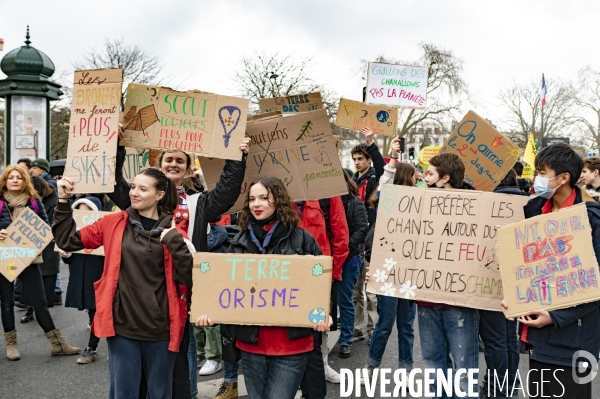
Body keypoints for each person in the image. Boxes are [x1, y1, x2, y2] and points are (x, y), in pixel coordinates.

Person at [110, 137, 249, 399]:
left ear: (186, 168)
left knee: (184, 354)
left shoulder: (198, 202)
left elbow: (228, 192)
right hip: (144, 293)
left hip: (183, 289)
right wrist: (118, 147)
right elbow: (116, 187)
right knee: (145, 363)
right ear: (159, 165)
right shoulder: (141, 199)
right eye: (169, 160)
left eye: (180, 161)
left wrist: (236, 156)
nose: (174, 164)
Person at [53, 168, 193, 399]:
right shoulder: (113, 222)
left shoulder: (175, 231)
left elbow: (189, 278)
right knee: (124, 393)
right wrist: (63, 200)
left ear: (159, 195)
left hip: (160, 330)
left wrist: (174, 243)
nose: (134, 193)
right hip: (122, 327)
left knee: (159, 393)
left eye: (142, 188)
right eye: (133, 187)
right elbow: (67, 240)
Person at [196, 177, 332, 399]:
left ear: (278, 200)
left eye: (263, 198)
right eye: (251, 199)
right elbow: (224, 288)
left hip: (292, 344)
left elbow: (321, 285)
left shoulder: (302, 239)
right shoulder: (238, 242)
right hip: (252, 345)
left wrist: (324, 313)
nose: (256, 204)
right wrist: (211, 312)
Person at [502, 143, 600, 398]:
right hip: (539, 340)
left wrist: (554, 317)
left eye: (542, 172)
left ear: (564, 178)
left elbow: (596, 285)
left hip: (574, 342)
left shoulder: (591, 219)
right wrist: (515, 297)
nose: (537, 179)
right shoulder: (534, 213)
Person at [0, 166, 80, 361]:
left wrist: (42, 240)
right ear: (5, 181)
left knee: (40, 302)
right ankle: (11, 345)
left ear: (25, 180)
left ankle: (58, 344)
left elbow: (46, 227)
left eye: (19, 177)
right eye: (11, 177)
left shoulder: (34, 203)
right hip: (4, 257)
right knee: (7, 303)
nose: (15, 180)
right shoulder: (0, 204)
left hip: (28, 257)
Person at [420, 152, 479, 397]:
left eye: (430, 173)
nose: (425, 177)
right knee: (434, 364)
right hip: (426, 298)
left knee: (463, 368)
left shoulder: (478, 207)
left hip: (460, 301)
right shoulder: (419, 204)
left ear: (444, 178)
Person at [362, 137, 417, 380]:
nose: (418, 179)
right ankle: (371, 367)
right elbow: (384, 181)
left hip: (411, 274)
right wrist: (393, 157)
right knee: (385, 324)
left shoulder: (421, 202)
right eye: (414, 176)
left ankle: (405, 371)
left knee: (406, 327)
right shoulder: (389, 200)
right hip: (389, 272)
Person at [477, 168, 527, 398]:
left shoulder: (486, 203)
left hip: (491, 279)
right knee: (508, 336)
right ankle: (509, 383)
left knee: (494, 338)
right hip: (517, 281)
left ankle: (499, 388)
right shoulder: (527, 203)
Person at [296, 195, 349, 391]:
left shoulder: (327, 194)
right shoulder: (278, 190)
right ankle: (297, 373)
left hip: (319, 274)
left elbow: (341, 233)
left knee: (319, 324)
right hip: (287, 275)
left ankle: (322, 367)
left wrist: (332, 273)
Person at [59, 196, 106, 364]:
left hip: (99, 279)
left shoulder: (104, 234)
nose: (83, 217)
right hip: (81, 279)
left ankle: (92, 348)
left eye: (87, 213)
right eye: (79, 213)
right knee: (92, 310)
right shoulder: (75, 235)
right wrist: (67, 254)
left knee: (96, 312)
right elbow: (70, 260)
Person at [351, 127, 384, 343]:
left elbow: (383, 167)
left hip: (372, 236)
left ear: (368, 160)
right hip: (357, 237)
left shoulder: (375, 177)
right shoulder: (352, 179)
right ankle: (356, 327)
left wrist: (371, 142)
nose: (356, 162)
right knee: (355, 288)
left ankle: (373, 329)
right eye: (354, 159)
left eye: (360, 158)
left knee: (370, 289)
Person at [19, 176, 60, 324]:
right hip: (32, 243)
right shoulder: (30, 201)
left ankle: (42, 310)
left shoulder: (54, 200)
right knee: (30, 279)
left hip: (48, 244)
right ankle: (30, 310)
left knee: (47, 279)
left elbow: (57, 222)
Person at [338, 170, 369, 358]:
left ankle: (345, 340)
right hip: (328, 258)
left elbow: (362, 229)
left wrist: (345, 246)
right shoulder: (323, 202)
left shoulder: (354, 202)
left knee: (345, 300)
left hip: (348, 259)